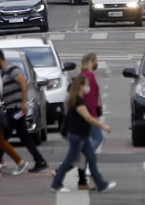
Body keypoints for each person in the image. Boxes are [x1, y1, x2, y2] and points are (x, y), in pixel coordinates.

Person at [51, 75, 116, 193]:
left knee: (91, 158)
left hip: (82, 136)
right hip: (78, 136)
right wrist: (103, 126)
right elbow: (88, 118)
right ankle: (56, 184)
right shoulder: (78, 101)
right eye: (86, 85)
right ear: (81, 86)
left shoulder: (75, 99)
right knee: (68, 161)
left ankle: (102, 185)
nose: (88, 87)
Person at [0, 49, 48, 173]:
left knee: (5, 135)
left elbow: (23, 82)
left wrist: (24, 102)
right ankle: (39, 160)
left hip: (16, 108)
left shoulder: (11, 69)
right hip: (12, 107)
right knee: (19, 135)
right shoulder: (4, 72)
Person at [75, 53, 103, 189]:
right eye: (96, 60)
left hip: (85, 113)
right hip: (89, 114)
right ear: (92, 61)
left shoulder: (83, 74)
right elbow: (90, 97)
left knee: (90, 140)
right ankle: (81, 159)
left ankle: (82, 169)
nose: (97, 62)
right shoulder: (89, 76)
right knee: (98, 138)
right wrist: (94, 114)